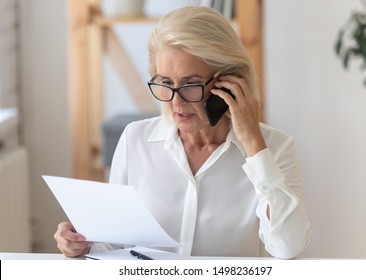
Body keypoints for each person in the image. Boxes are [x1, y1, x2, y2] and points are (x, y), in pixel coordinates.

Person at [54, 6, 311, 259]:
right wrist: (82, 244)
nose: (176, 103)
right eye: (166, 83)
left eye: (190, 85)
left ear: (230, 82)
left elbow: (288, 246)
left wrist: (254, 146)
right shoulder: (136, 140)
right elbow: (113, 246)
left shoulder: (275, 148)